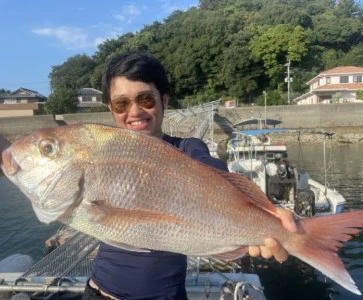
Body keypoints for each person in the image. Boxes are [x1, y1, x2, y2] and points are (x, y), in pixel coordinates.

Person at [0, 52, 297, 300]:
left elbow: (211, 168)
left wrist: (266, 216)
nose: (135, 111)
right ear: (110, 108)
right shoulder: (101, 147)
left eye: (146, 99)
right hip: (99, 292)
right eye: (121, 103)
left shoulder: (186, 148)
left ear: (164, 100)